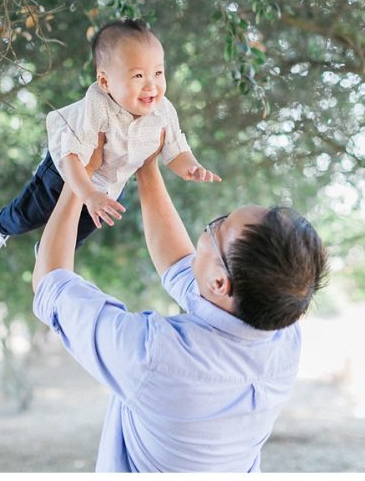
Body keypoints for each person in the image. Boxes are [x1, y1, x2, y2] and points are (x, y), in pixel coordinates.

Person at [31, 137, 328, 472]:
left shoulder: (152, 355)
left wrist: (81, 179)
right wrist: (145, 165)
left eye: (218, 225)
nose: (208, 228)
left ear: (220, 283)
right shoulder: (281, 336)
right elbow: (178, 265)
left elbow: (50, 283)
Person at [0, 18, 220, 256]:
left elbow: (175, 150)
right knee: (29, 214)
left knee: (82, 228)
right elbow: (71, 158)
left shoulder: (163, 110)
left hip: (111, 185)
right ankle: (1, 225)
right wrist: (88, 194)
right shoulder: (96, 107)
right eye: (138, 76)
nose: (151, 86)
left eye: (158, 73)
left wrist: (191, 167)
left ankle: (53, 249)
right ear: (105, 81)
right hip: (63, 175)